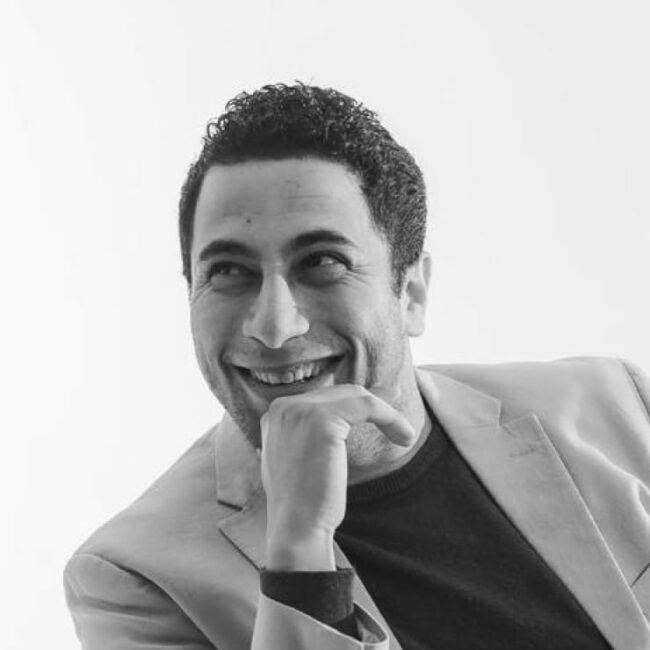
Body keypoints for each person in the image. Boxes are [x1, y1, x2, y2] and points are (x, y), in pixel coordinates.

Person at [64, 83, 650, 650]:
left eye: (322, 262)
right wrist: (299, 550)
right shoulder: (135, 579)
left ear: (411, 292)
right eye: (228, 272)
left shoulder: (620, 407)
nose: (274, 327)